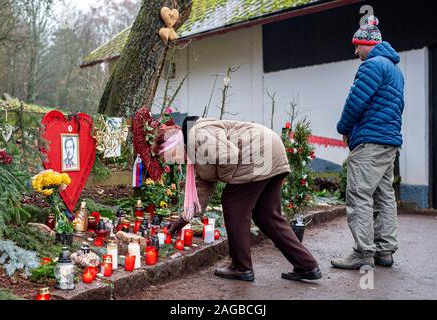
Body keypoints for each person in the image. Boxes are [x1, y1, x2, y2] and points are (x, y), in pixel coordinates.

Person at [153, 116, 322, 282]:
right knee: (267, 216)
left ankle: (241, 267)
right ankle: (306, 265)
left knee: (232, 202)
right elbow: (203, 187)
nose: (172, 162)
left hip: (258, 153)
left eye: (168, 156)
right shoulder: (195, 148)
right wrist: (184, 219)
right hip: (270, 150)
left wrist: (227, 178)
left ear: (172, 145)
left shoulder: (196, 135)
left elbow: (229, 155)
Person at [331, 16, 405, 270]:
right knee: (384, 196)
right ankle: (385, 251)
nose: (355, 51)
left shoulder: (372, 65)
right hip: (389, 142)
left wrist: (343, 127)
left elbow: (356, 101)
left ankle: (363, 252)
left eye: (357, 46)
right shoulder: (395, 70)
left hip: (370, 142)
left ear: (367, 44)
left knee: (359, 194)